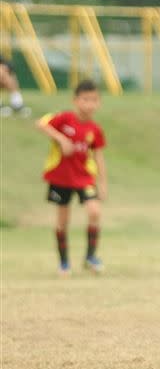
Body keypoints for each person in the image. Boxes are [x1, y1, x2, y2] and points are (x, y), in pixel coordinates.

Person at [36, 80, 107, 275]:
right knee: (62, 221)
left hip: (84, 178)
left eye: (94, 100)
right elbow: (41, 124)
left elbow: (99, 157)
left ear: (99, 103)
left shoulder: (95, 129)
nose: (89, 104)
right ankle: (64, 262)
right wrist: (61, 139)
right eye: (85, 99)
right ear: (75, 100)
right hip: (61, 177)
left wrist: (102, 183)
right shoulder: (64, 118)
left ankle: (90, 257)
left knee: (94, 212)